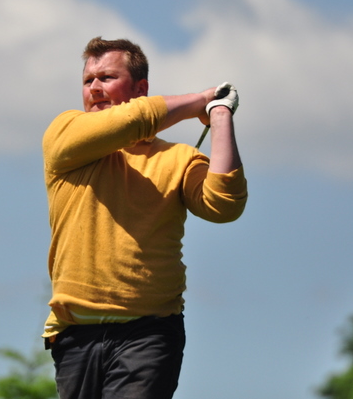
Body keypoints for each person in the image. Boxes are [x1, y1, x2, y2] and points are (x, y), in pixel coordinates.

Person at [41, 37, 248, 399]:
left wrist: (219, 116)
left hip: (149, 332)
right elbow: (134, 119)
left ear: (140, 89)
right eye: (88, 80)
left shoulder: (178, 158)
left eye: (107, 77)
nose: (94, 87)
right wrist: (198, 101)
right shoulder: (64, 133)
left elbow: (223, 205)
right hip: (75, 335)